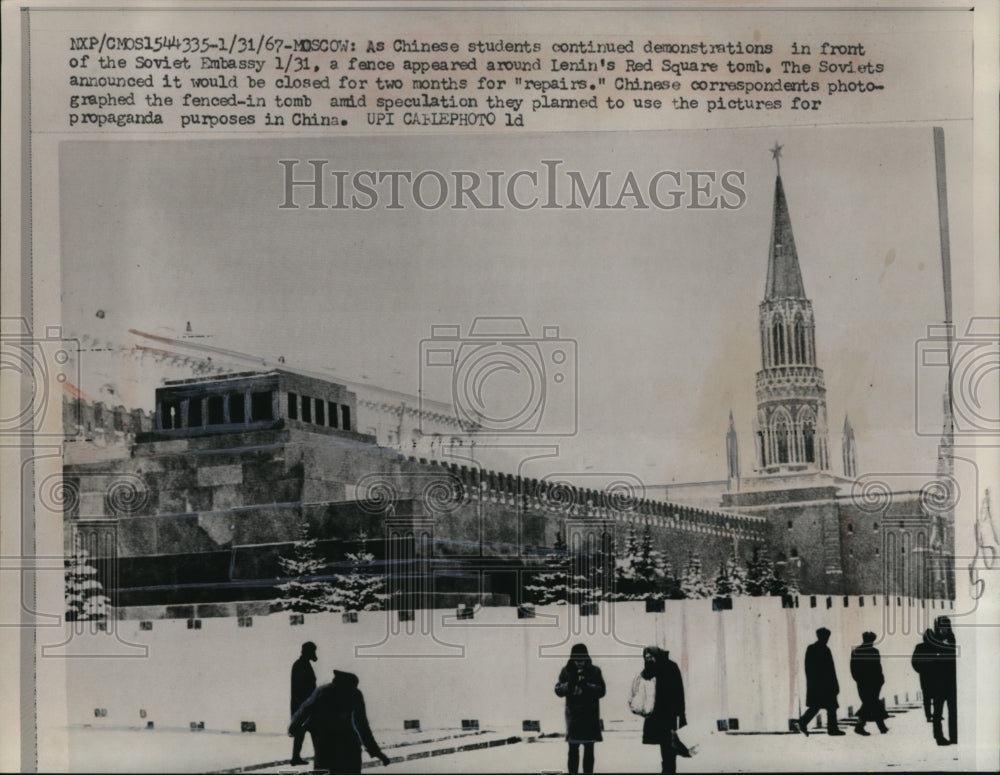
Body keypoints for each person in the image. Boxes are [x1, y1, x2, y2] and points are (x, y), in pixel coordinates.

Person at [289, 669, 391, 774]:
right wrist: (376, 752)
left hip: (325, 748)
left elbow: (304, 710)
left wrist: (293, 726)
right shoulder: (354, 694)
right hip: (348, 750)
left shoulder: (323, 691)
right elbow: (362, 726)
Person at [554, 643, 606, 774]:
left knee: (589, 750)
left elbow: (602, 691)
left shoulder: (595, 671)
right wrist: (569, 685)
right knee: (573, 750)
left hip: (589, 716)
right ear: (572, 659)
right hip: (574, 716)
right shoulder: (566, 671)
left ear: (586, 658)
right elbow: (558, 690)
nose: (579, 663)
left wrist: (588, 686)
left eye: (582, 660)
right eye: (577, 660)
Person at [637, 646, 687, 773]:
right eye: (646, 658)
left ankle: (668, 770)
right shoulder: (650, 669)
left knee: (669, 747)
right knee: (665, 747)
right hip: (657, 715)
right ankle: (667, 770)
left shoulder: (671, 667)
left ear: (657, 655)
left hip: (670, 715)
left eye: (651, 657)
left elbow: (679, 692)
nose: (649, 660)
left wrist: (681, 714)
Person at [797, 627, 845, 736]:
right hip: (826, 685)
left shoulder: (812, 648)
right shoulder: (824, 649)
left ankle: (803, 721)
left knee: (817, 706)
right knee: (831, 707)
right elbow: (830, 670)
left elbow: (808, 668)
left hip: (817, 685)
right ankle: (832, 729)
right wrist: (834, 685)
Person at [849, 631, 889, 735]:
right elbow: (878, 667)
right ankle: (860, 726)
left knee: (870, 703)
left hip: (862, 683)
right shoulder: (874, 651)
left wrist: (858, 679)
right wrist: (881, 679)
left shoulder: (856, 651)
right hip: (874, 682)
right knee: (871, 703)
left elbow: (853, 668)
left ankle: (881, 727)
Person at [930, 616, 957, 746]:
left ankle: (954, 736)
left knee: (953, 711)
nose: (944, 630)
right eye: (942, 627)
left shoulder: (953, 639)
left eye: (946, 627)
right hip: (937, 682)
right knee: (937, 712)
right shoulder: (932, 641)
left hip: (952, 681)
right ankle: (939, 737)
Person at [290, 641, 317, 765]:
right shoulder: (301, 665)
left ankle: (296, 758)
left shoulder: (301, 664)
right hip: (304, 707)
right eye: (313, 651)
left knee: (303, 733)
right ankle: (297, 758)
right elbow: (304, 689)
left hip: (303, 707)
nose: (314, 654)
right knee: (313, 732)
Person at [911, 629, 937, 723]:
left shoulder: (920, 647)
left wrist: (921, 670)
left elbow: (914, 662)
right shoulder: (934, 647)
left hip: (926, 676)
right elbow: (915, 662)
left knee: (928, 697)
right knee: (932, 696)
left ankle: (930, 716)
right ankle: (931, 716)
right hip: (931, 676)